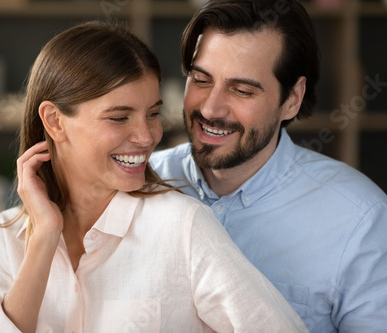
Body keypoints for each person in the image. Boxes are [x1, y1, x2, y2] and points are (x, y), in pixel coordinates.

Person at [0, 21, 308, 332]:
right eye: (119, 117)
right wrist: (44, 237)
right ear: (55, 121)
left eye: (153, 113)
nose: (147, 137)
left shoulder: (182, 226)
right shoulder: (4, 239)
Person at [150, 0, 387, 332]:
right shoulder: (140, 183)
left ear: (292, 99)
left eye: (242, 90)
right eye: (200, 80)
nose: (211, 108)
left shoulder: (361, 220)